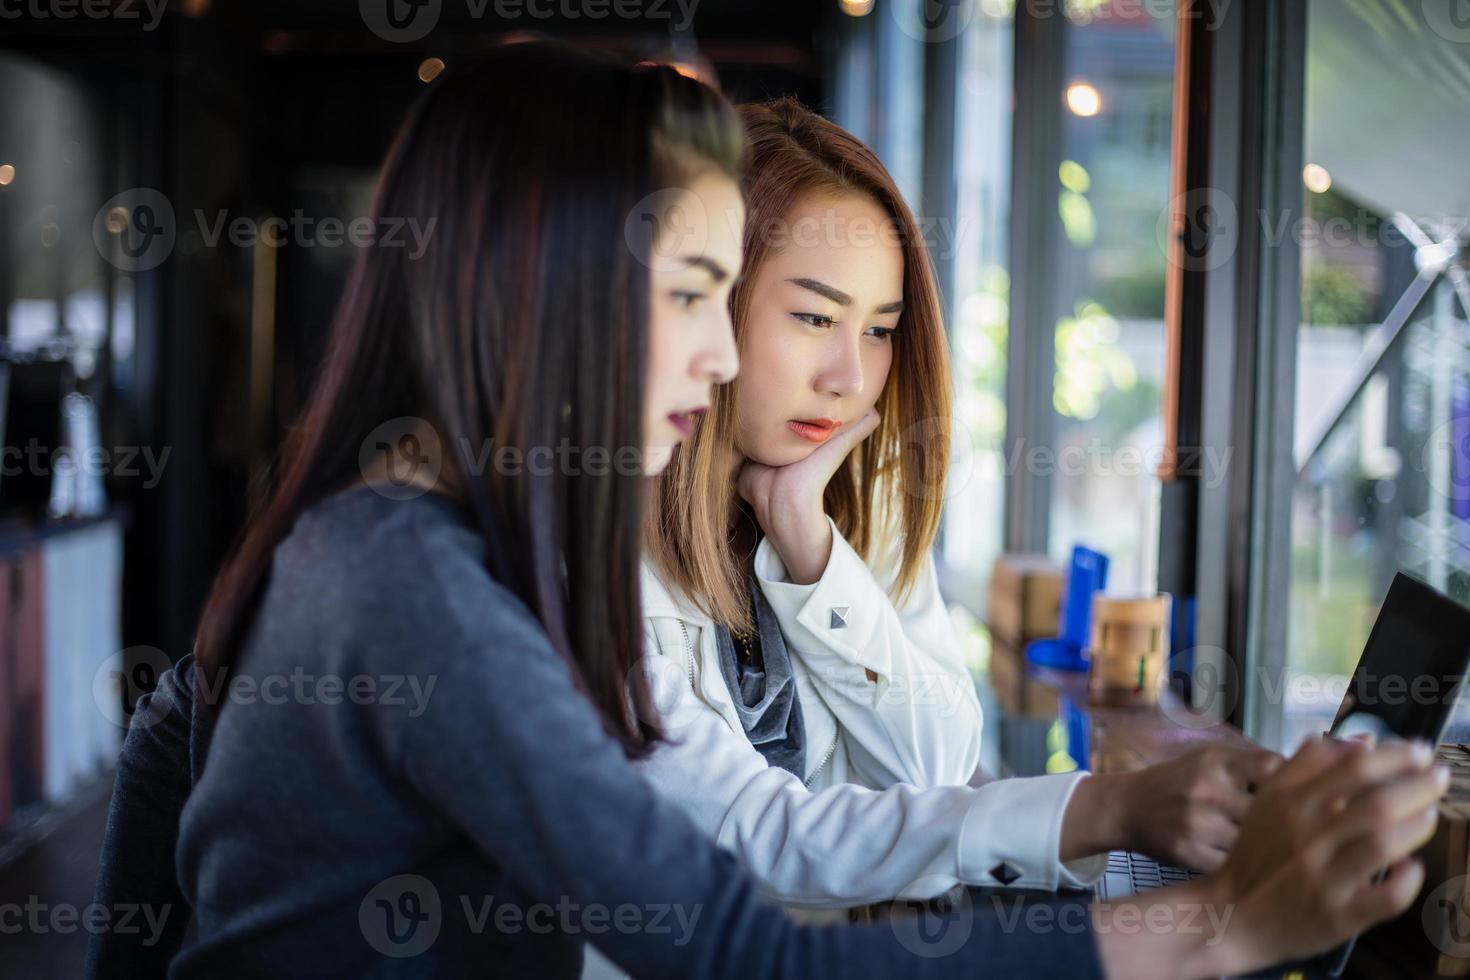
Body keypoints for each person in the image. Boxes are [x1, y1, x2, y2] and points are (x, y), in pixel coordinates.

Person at [88, 41, 1444, 980]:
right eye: (697, 293)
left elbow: (922, 778)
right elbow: (741, 943)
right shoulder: (420, 585)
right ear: (546, 290)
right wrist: (1216, 930)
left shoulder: (425, 546)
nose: (732, 356)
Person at [634, 97, 1280, 910]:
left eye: (879, 330)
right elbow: (759, 842)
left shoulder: (854, 509)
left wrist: (810, 546)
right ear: (711, 300)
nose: (847, 376)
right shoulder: (594, 549)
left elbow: (938, 765)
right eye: (813, 317)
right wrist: (1108, 808)